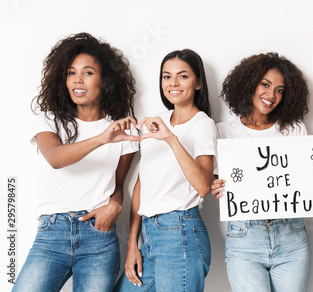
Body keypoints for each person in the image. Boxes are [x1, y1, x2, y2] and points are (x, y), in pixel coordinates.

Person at [14, 33, 140, 292]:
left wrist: (115, 206)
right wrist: (102, 139)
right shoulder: (49, 120)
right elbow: (56, 158)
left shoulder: (124, 130)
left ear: (105, 80)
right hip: (52, 233)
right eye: (71, 73)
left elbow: (118, 184)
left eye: (88, 73)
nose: (77, 80)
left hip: (98, 236)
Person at [211, 52, 313, 292]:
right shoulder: (223, 132)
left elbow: (305, 180)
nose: (272, 95)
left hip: (291, 234)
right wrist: (216, 186)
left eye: (280, 90)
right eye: (265, 85)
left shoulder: (292, 130)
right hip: (244, 236)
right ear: (249, 83)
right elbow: (218, 182)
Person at [114, 49, 215, 291]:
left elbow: (203, 185)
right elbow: (142, 184)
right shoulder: (154, 120)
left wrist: (171, 138)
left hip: (180, 232)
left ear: (198, 82)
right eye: (166, 76)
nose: (173, 83)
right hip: (149, 234)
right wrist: (132, 244)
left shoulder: (203, 125)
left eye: (183, 76)